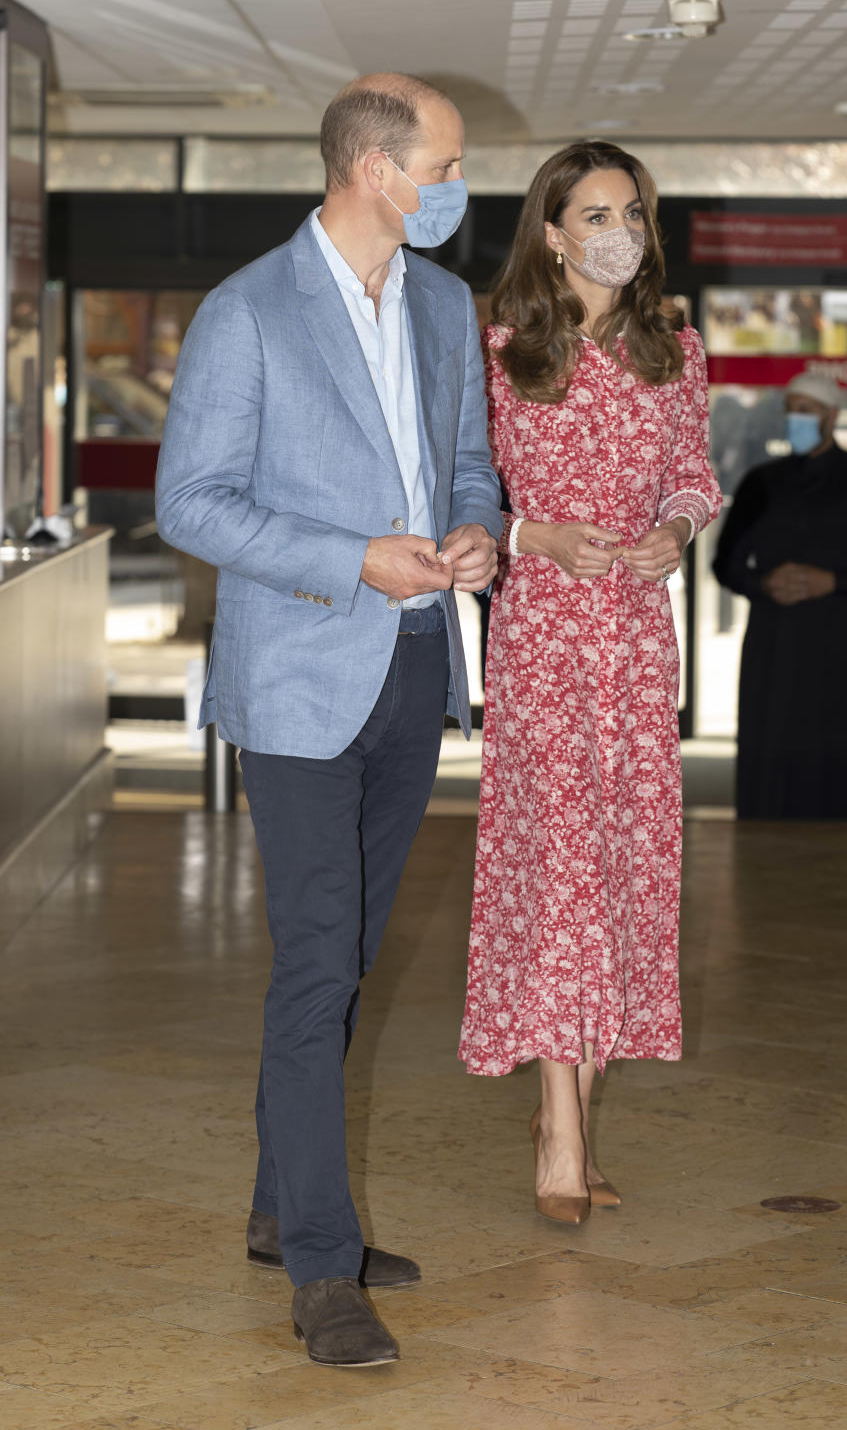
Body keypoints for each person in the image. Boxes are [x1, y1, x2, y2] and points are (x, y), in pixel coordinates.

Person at [156, 73, 502, 1368]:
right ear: (375, 168)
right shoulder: (248, 312)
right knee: (317, 965)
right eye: (448, 165)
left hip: (418, 663)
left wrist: (478, 530)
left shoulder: (449, 306)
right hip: (300, 676)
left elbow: (466, 466)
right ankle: (319, 1264)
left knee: (341, 958)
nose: (461, 189)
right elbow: (193, 503)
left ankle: (274, 1209)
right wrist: (353, 557)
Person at [458, 142, 721, 1223]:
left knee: (620, 866)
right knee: (558, 867)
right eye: (597, 212)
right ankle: (561, 1140)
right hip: (543, 637)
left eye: (635, 212)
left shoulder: (677, 349)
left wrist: (677, 526)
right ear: (553, 232)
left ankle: (573, 1093)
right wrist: (534, 535)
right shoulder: (501, 348)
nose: (622, 230)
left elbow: (694, 472)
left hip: (636, 636)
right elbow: (460, 486)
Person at [713, 372, 847, 820]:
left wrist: (834, 582)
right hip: (776, 650)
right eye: (791, 409)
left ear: (832, 416)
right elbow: (724, 564)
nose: (796, 419)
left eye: (807, 410)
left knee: (840, 775)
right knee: (773, 772)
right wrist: (761, 584)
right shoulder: (760, 484)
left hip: (846, 653)